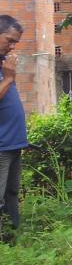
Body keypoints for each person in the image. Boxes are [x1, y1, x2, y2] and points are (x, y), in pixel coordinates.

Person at [0, 15, 27, 245]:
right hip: (1, 146)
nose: (12, 46)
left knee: (11, 195)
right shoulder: (6, 69)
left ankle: (11, 240)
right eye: (9, 40)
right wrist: (9, 78)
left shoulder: (4, 62)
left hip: (14, 143)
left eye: (15, 42)